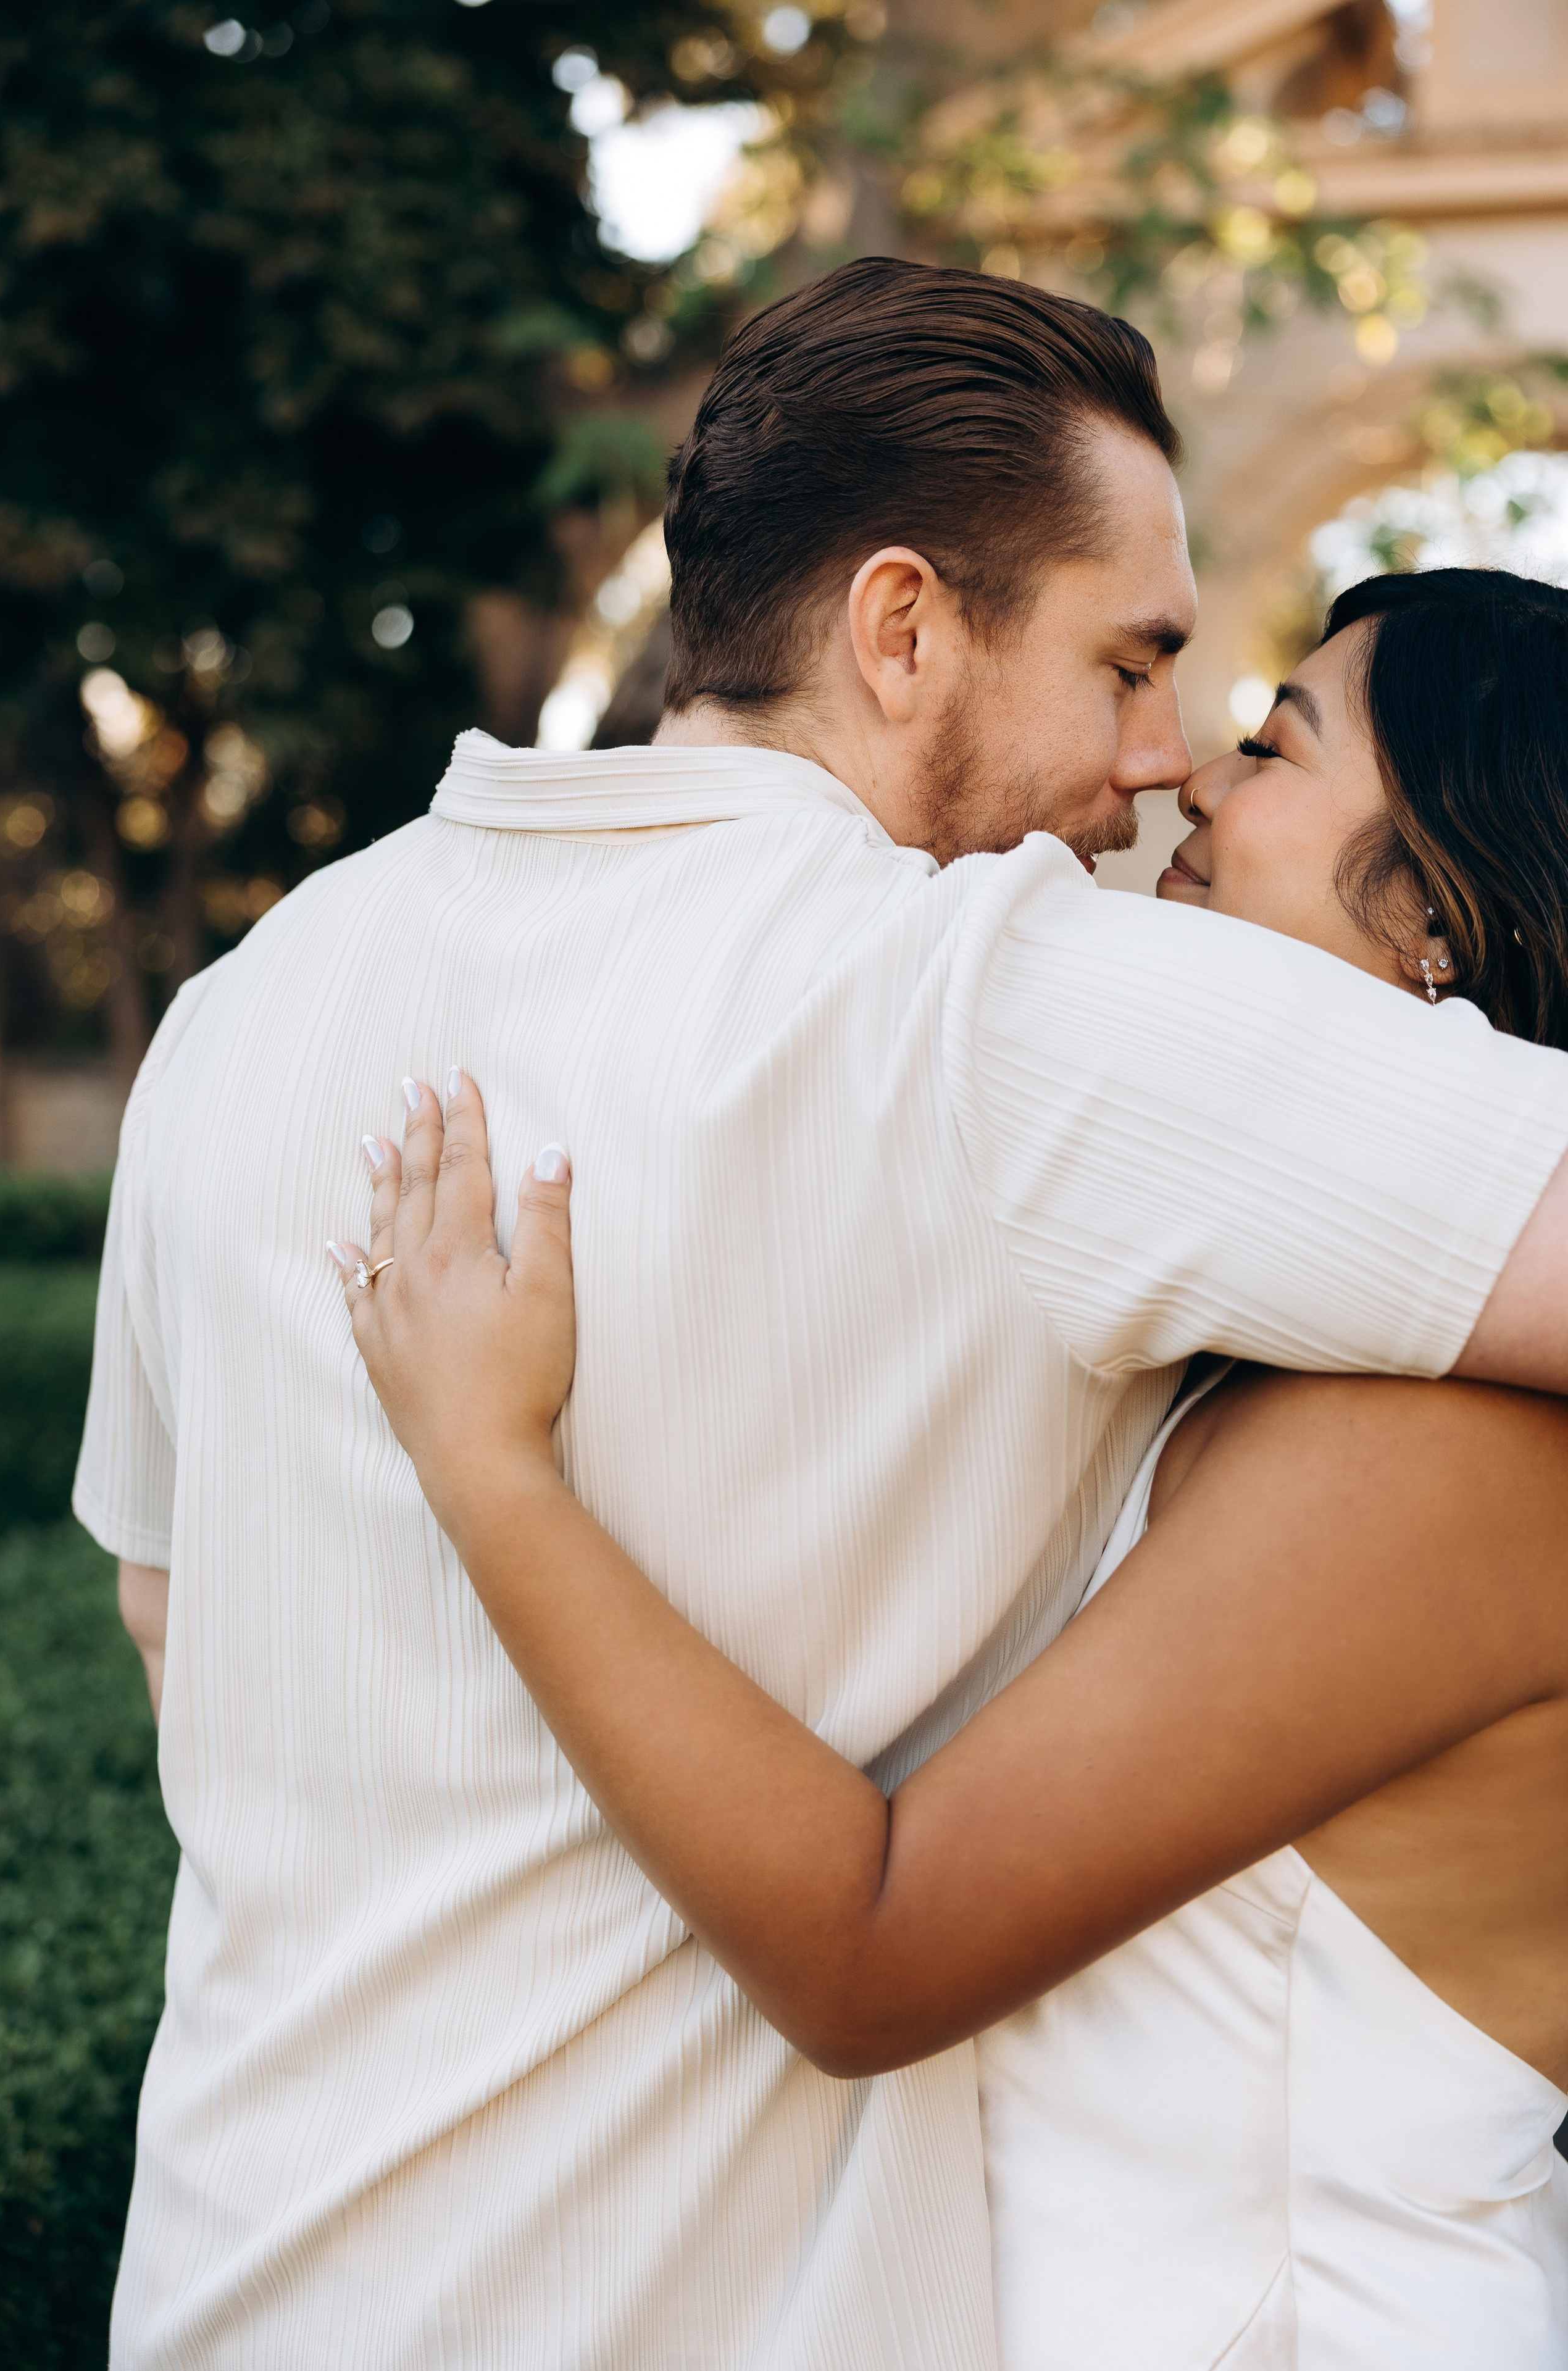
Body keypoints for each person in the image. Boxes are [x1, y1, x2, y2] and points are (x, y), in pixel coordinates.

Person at [79, 257, 1568, 2371]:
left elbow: (175, 1624)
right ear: (900, 628)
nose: (1159, 766)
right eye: (1135, 663)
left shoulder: (247, 1015)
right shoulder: (1006, 1011)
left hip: (234, 2294)